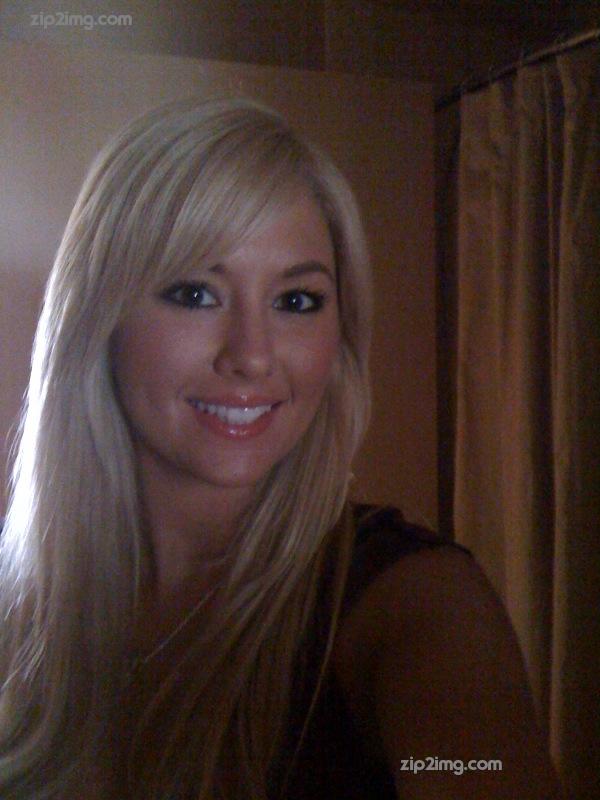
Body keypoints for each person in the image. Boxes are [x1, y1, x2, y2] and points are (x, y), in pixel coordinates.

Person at [0, 97, 562, 800]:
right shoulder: (17, 603)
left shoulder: (413, 605)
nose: (253, 356)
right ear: (97, 315)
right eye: (195, 293)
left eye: (296, 302)